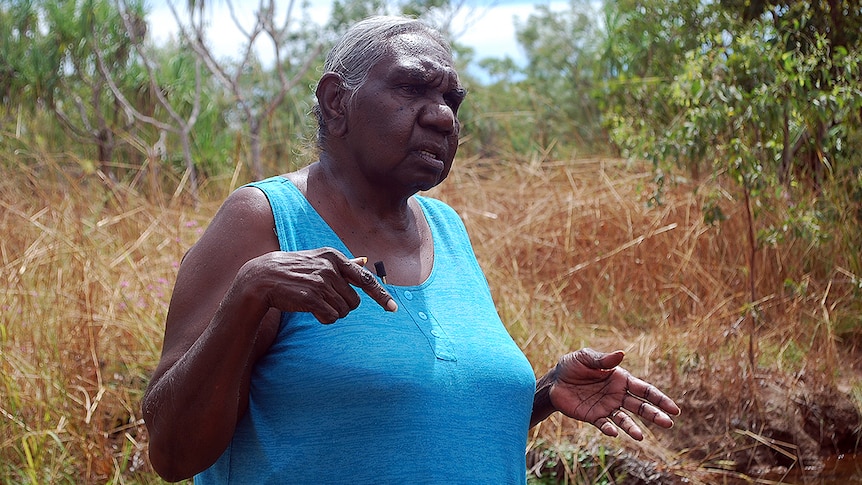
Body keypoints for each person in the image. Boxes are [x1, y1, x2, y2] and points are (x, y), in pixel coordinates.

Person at [142, 15, 681, 484]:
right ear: (336, 103)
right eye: (411, 89)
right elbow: (172, 450)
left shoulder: (446, 229)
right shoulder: (264, 220)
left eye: (451, 99)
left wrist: (543, 394)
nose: (443, 116)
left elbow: (414, 420)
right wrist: (249, 293)